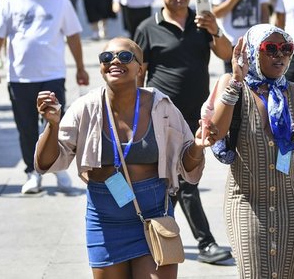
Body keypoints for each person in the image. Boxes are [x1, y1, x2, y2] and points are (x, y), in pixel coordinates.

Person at [34, 37, 213, 277]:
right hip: (105, 218)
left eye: (125, 57)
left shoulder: (161, 106)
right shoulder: (85, 107)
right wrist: (52, 125)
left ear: (140, 68)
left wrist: (198, 147)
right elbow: (47, 163)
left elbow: (185, 164)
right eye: (107, 57)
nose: (115, 61)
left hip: (154, 213)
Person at [133, 0, 233, 264]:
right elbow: (139, 73)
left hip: (196, 117)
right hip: (161, 116)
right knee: (183, 180)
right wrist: (136, 113)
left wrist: (214, 29)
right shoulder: (147, 28)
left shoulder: (202, 23)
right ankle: (204, 243)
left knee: (179, 178)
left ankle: (152, 234)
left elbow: (227, 55)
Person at [0, 0, 89, 194]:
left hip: (52, 74)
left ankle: (59, 168)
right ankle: (33, 172)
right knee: (26, 127)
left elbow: (73, 35)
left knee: (57, 125)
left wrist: (81, 67)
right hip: (20, 76)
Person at [210, 24, 294, 278]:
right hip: (247, 203)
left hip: (291, 203)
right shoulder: (234, 85)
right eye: (271, 49)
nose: (280, 55)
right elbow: (216, 133)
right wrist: (236, 80)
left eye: (286, 49)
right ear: (254, 51)